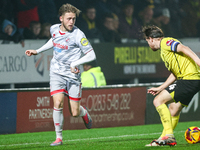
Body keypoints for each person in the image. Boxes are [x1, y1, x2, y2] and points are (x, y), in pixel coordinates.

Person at [25, 3, 96, 146]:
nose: (71, 22)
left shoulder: (78, 34)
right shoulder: (53, 29)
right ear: (61, 19)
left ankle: (84, 113)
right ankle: (59, 138)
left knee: (74, 112)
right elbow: (54, 40)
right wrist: (38, 51)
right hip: (56, 72)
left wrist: (74, 64)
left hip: (72, 76)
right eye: (69, 19)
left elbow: (91, 54)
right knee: (57, 103)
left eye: (74, 19)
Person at [142, 25, 200, 146]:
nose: (149, 45)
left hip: (189, 79)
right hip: (192, 80)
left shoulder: (165, 42)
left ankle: (168, 136)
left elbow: (184, 48)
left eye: (147, 41)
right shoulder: (164, 52)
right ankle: (163, 138)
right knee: (173, 109)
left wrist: (198, 62)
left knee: (158, 101)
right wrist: (160, 88)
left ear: (151, 39)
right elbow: (175, 74)